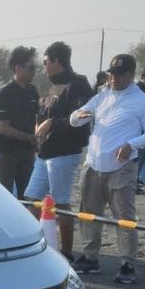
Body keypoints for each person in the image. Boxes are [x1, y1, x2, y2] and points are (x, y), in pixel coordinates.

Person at [68, 54, 145, 284]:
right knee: (89, 213)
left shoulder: (143, 101)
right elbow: (74, 118)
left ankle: (127, 262)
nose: (113, 78)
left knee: (124, 217)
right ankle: (90, 258)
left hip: (122, 167)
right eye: (111, 74)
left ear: (131, 75)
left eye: (119, 74)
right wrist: (78, 116)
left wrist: (131, 145)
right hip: (93, 165)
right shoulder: (102, 96)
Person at [23, 41, 93, 259]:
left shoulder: (79, 84)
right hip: (44, 152)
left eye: (45, 62)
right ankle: (31, 244)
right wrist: (39, 124)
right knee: (31, 198)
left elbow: (83, 117)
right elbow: (43, 112)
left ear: (57, 61)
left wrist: (53, 123)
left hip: (64, 152)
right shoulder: (52, 85)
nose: (44, 67)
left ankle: (67, 251)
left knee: (60, 201)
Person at [0, 46, 40, 195]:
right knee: (4, 195)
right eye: (31, 68)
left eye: (34, 67)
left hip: (28, 152)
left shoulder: (32, 91)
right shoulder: (5, 94)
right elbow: (4, 128)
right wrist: (30, 137)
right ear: (17, 68)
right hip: (7, 153)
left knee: (27, 195)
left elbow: (37, 117)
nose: (34, 71)